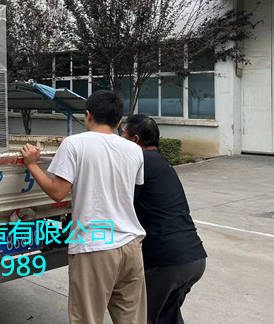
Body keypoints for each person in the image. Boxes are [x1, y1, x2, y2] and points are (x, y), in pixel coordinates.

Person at [21, 90, 146, 324]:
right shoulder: (135, 150)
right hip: (131, 246)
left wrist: (32, 164)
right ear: (118, 122)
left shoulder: (74, 144)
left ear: (88, 115)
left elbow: (57, 192)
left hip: (95, 246)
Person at [123, 114, 207, 324]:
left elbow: (122, 203)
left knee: (143, 317)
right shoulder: (161, 163)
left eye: (123, 135)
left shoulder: (140, 164)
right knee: (167, 317)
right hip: (194, 257)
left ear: (135, 139)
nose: (120, 140)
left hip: (168, 262)